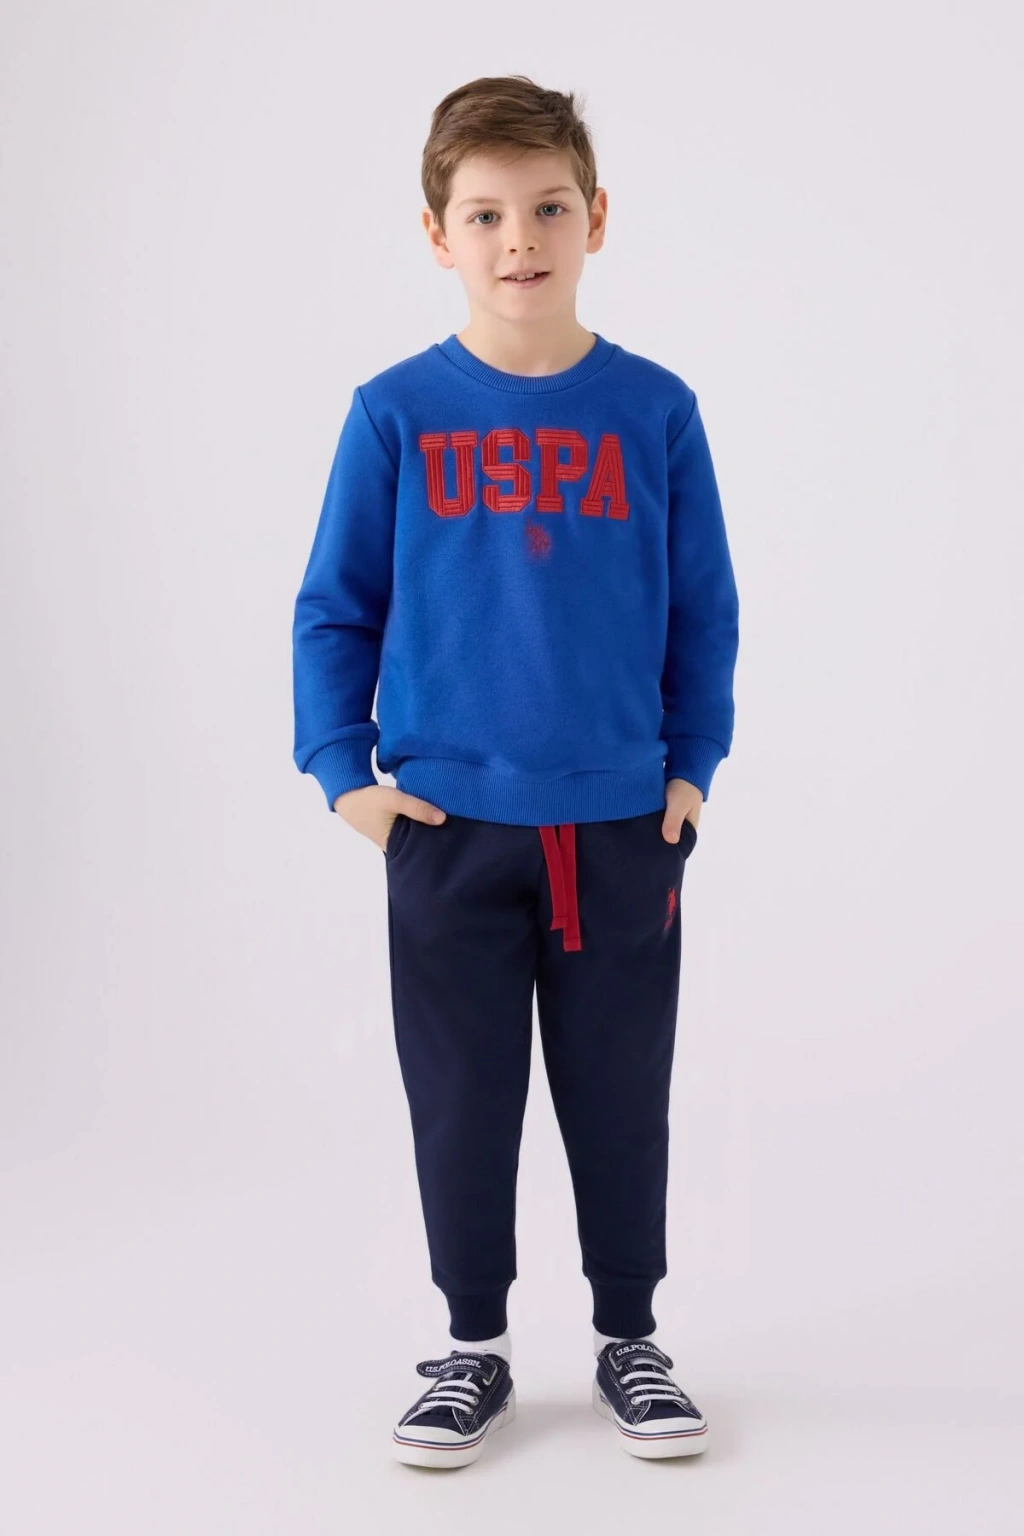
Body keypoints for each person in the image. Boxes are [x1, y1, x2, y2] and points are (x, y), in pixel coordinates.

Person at [291, 74, 739, 1468]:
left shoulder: (655, 411)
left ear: (596, 217)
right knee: (463, 1098)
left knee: (620, 1093)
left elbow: (704, 609)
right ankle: (471, 1346)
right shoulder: (396, 414)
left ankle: (630, 1337)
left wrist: (691, 766)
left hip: (619, 825)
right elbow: (334, 608)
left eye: (547, 208)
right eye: (484, 214)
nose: (519, 239)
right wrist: (345, 775)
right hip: (444, 827)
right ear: (438, 234)